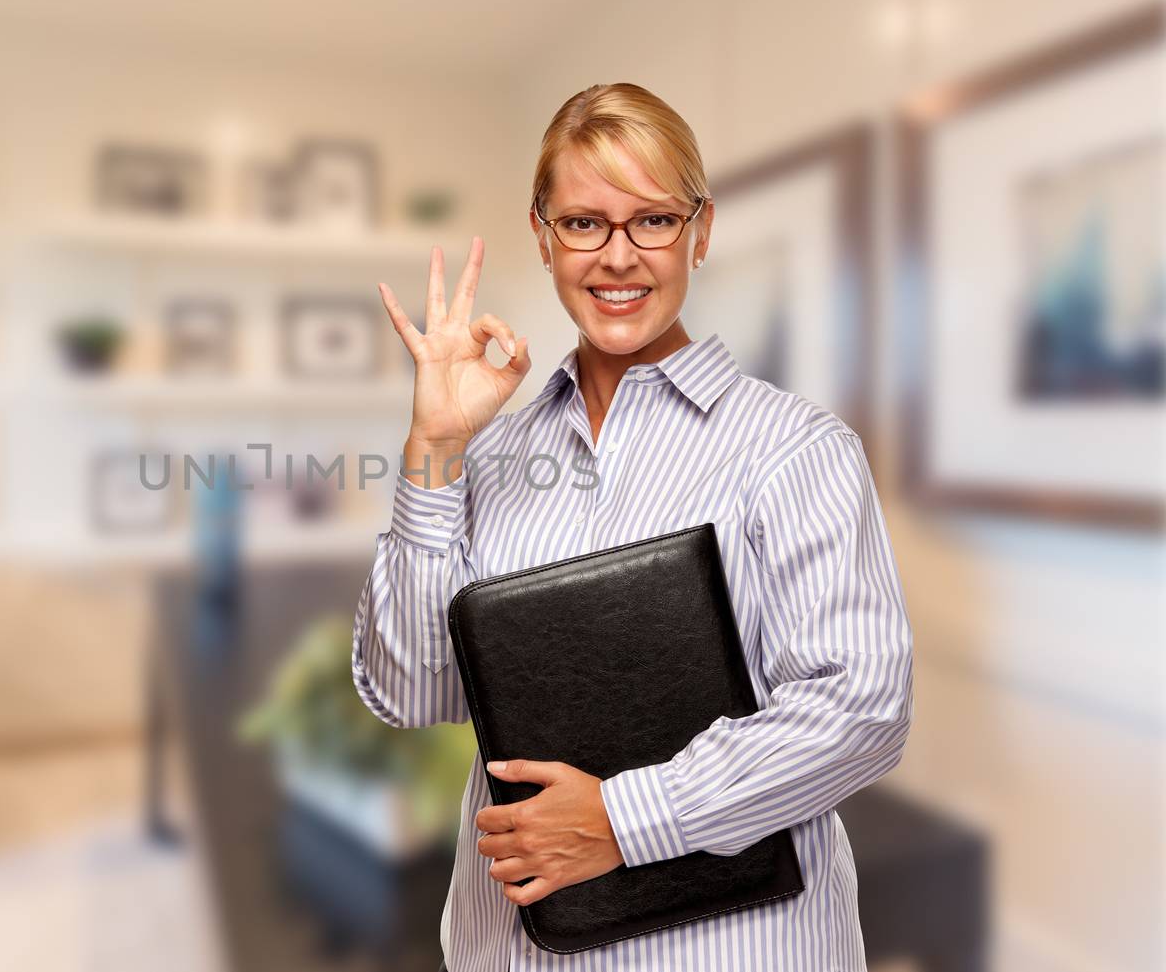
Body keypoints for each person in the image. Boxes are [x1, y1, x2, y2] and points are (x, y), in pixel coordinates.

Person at [351, 83, 915, 972]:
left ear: (700, 229)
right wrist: (435, 447)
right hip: (517, 950)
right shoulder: (489, 459)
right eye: (584, 223)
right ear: (542, 235)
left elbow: (860, 708)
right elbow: (418, 690)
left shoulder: (795, 448)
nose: (619, 257)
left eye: (651, 219)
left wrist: (622, 821)